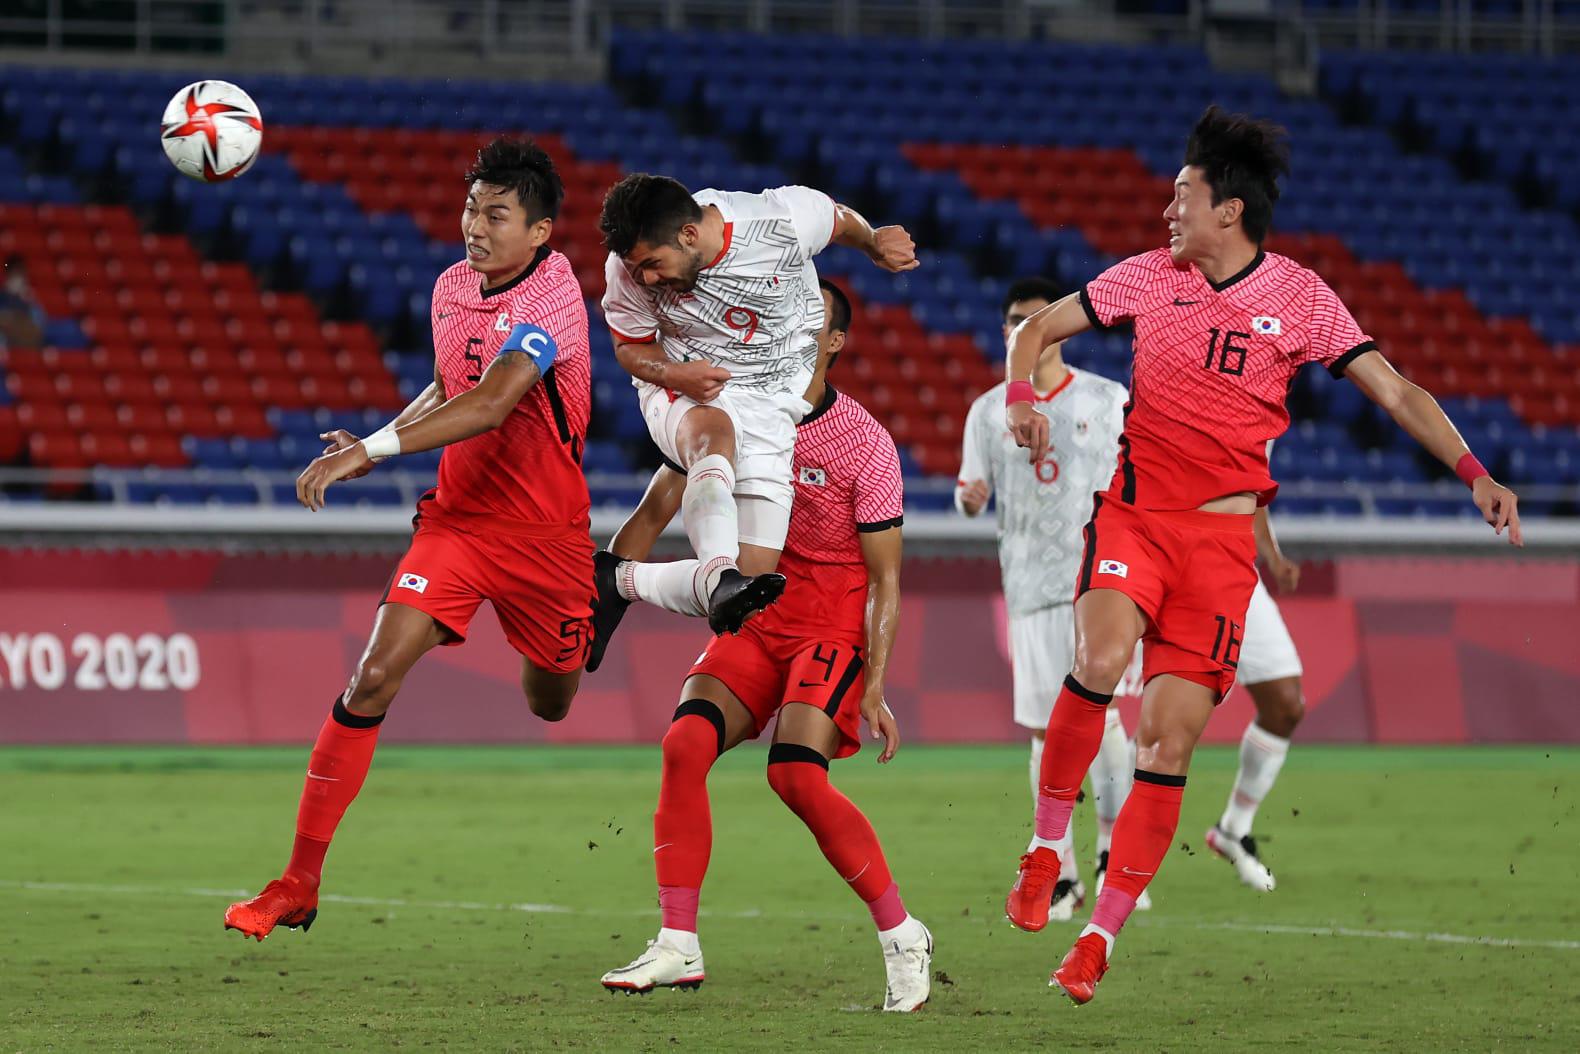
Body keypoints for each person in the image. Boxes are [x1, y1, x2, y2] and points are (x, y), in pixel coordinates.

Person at [1000, 106, 1521, 1004]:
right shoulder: (1143, 277)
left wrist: (1475, 470)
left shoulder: (1302, 298)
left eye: (1181, 195)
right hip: (1134, 516)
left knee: (1168, 743)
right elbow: (1033, 331)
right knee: (1101, 657)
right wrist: (1016, 393)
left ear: (1228, 210)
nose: (1168, 210)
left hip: (1221, 545)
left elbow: (1394, 391)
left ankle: (1095, 941)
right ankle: (1046, 849)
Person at [224, 138, 595, 940]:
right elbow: (450, 384)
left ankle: (596, 613)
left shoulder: (552, 298)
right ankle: (298, 880)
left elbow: (496, 401)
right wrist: (385, 436)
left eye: (496, 214)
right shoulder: (453, 287)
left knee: (552, 700)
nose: (475, 226)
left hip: (548, 540)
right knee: (373, 677)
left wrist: (373, 449)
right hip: (459, 523)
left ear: (539, 233)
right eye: (470, 208)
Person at [597, 280, 932, 1012]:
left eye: (808, 322)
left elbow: (886, 578)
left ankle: (903, 935)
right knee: (684, 745)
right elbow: (655, 509)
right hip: (758, 619)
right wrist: (600, 593)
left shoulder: (865, 444)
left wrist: (874, 685)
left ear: (834, 341)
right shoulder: (732, 415)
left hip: (831, 629)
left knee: (796, 780)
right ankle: (678, 943)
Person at [589, 174, 916, 662]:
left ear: (689, 235)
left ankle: (620, 579)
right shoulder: (626, 269)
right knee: (711, 432)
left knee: (751, 585)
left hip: (771, 402)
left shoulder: (780, 221)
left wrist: (873, 243)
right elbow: (631, 347)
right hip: (684, 380)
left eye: (654, 266)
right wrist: (676, 375)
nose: (649, 279)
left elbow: (841, 219)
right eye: (640, 271)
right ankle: (717, 575)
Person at [956, 276, 1147, 922]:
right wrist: (969, 500)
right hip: (1032, 585)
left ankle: (1113, 854)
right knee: (1045, 730)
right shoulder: (987, 411)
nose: (1024, 330)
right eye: (1014, 319)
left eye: (1037, 319)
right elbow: (966, 489)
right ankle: (1060, 873)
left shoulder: (1107, 396)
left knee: (1110, 717)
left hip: (1106, 579)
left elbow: (1139, 476)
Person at [1204, 502, 1305, 891]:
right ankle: (1112, 861)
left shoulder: (1266, 437)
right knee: (1166, 716)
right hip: (1169, 559)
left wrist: (1272, 556)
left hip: (1235, 564)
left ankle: (1234, 828)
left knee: (1285, 705)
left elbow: (1253, 486)